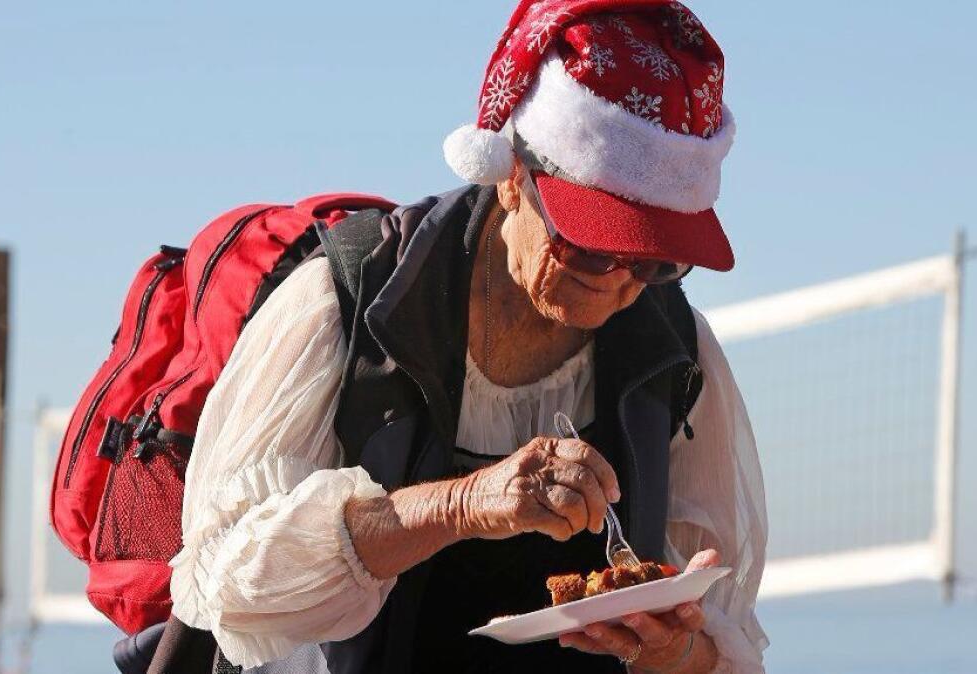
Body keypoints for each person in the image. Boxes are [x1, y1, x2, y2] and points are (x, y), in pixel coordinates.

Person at [169, 1, 768, 672]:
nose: (620, 284)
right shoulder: (344, 304)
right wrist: (464, 502)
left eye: (656, 260)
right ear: (514, 176)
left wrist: (675, 647)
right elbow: (224, 580)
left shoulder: (677, 353)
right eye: (591, 247)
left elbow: (716, 640)